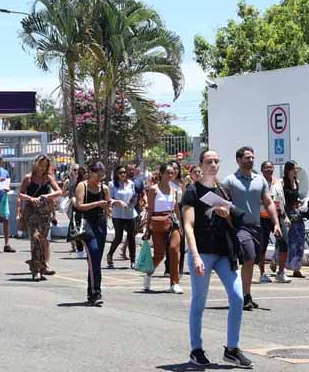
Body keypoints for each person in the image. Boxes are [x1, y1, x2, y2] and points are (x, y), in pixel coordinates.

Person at [183, 150, 253, 368]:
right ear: (201, 165)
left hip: (224, 252)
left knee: (237, 297)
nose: (213, 164)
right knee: (199, 301)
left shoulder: (223, 190)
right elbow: (188, 225)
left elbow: (233, 223)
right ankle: (196, 349)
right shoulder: (192, 192)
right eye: (208, 161)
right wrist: (194, 256)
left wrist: (227, 215)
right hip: (202, 252)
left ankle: (232, 349)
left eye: (216, 161)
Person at [221, 148, 281, 311]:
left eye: (252, 157)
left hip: (257, 226)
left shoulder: (259, 180)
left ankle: (245, 295)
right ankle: (240, 296)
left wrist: (276, 223)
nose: (251, 160)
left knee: (251, 260)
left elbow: (268, 202)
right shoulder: (230, 180)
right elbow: (221, 203)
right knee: (249, 256)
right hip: (239, 226)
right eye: (247, 157)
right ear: (238, 160)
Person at [19, 155, 62, 279]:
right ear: (35, 164)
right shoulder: (28, 178)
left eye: (44, 166)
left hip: (44, 212)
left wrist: (48, 196)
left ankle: (40, 265)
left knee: (42, 239)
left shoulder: (48, 178)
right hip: (31, 211)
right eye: (40, 165)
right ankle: (36, 269)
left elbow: (59, 191)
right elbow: (20, 194)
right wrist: (31, 198)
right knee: (35, 238)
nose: (42, 168)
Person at [143, 163, 184, 294]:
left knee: (174, 250)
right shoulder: (154, 189)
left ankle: (174, 283)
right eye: (167, 173)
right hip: (158, 222)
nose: (170, 175)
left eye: (172, 173)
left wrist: (182, 225)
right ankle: (149, 273)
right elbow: (150, 210)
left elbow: (176, 208)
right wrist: (147, 228)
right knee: (159, 254)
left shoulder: (175, 189)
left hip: (172, 221)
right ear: (161, 174)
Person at [74, 162, 110, 306]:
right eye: (97, 175)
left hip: (100, 225)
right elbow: (79, 206)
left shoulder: (104, 188)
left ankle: (91, 292)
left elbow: (107, 206)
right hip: (86, 225)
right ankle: (96, 292)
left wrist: (111, 207)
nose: (100, 178)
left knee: (95, 260)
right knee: (93, 253)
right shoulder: (82, 186)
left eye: (102, 175)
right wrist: (98, 204)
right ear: (90, 172)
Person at [261, 161, 292, 284]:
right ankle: (262, 273)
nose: (269, 169)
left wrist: (285, 216)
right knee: (262, 246)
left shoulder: (278, 182)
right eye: (266, 167)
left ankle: (281, 272)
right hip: (263, 216)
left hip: (278, 216)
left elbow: (282, 199)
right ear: (262, 169)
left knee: (284, 243)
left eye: (270, 167)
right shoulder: (259, 182)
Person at [107, 165, 139, 269]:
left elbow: (135, 196)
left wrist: (134, 201)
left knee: (131, 237)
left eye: (124, 172)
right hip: (118, 214)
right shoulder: (112, 185)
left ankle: (133, 260)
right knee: (118, 237)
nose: (123, 174)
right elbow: (109, 200)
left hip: (130, 213)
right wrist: (117, 202)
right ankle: (110, 254)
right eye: (121, 172)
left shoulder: (131, 184)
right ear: (116, 174)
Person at [283, 161, 309, 278]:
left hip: (296, 213)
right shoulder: (283, 183)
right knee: (288, 240)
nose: (296, 171)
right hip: (287, 213)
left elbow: (296, 198)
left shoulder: (297, 183)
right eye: (295, 169)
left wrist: (303, 203)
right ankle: (277, 262)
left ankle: (296, 268)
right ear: (289, 170)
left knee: (299, 240)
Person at [62, 164, 86, 258]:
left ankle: (79, 246)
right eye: (75, 170)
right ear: (71, 171)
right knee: (76, 225)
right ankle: (77, 248)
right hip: (73, 206)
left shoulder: (83, 181)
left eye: (78, 170)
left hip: (83, 205)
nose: (76, 172)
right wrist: (71, 193)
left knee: (81, 226)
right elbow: (63, 193)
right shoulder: (69, 181)